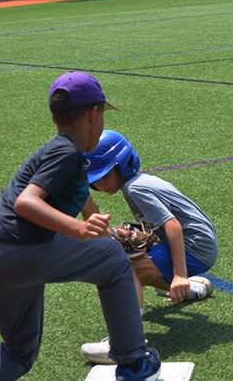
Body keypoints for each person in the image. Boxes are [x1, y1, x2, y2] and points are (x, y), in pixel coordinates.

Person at [0, 73, 161, 381]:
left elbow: (86, 213)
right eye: (102, 116)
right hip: (22, 249)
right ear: (93, 114)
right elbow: (27, 203)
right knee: (113, 262)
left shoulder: (66, 157)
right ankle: (134, 362)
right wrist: (78, 229)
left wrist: (113, 233)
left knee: (19, 352)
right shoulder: (66, 151)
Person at [80, 130, 218, 364]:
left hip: (196, 246)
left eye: (104, 174)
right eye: (94, 180)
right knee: (127, 256)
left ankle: (126, 344)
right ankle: (191, 290)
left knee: (126, 269)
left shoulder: (135, 189)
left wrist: (179, 274)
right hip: (199, 242)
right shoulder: (138, 183)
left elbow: (173, 225)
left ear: (122, 165)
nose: (99, 183)